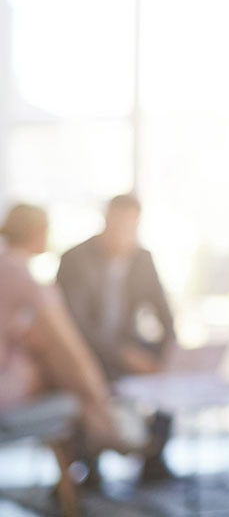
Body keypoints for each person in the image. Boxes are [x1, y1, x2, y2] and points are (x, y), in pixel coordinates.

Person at [0, 203, 142, 456]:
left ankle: (99, 424)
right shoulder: (20, 274)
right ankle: (103, 419)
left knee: (47, 350)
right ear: (38, 233)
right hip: (6, 390)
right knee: (61, 353)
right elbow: (67, 342)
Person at [57, 193, 176, 482]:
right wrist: (123, 355)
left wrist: (170, 350)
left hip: (126, 343)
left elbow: (162, 308)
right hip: (84, 349)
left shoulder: (141, 258)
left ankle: (153, 458)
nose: (123, 231)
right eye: (118, 223)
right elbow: (75, 325)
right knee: (86, 379)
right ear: (106, 219)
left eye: (130, 225)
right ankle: (89, 466)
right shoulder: (75, 259)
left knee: (167, 377)